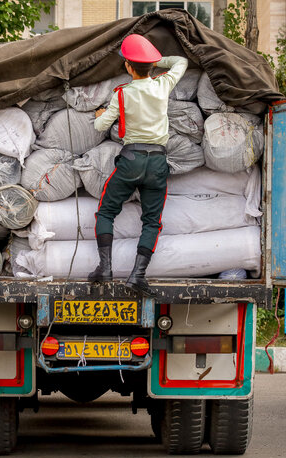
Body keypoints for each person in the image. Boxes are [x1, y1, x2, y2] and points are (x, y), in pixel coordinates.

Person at [88, 34, 188, 294]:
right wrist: (157, 61)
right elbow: (181, 61)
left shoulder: (122, 94)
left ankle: (105, 269)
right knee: (152, 221)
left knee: (106, 212)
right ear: (151, 66)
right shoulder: (163, 84)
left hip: (131, 160)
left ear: (127, 67)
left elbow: (100, 126)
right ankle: (137, 276)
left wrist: (99, 115)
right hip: (157, 162)